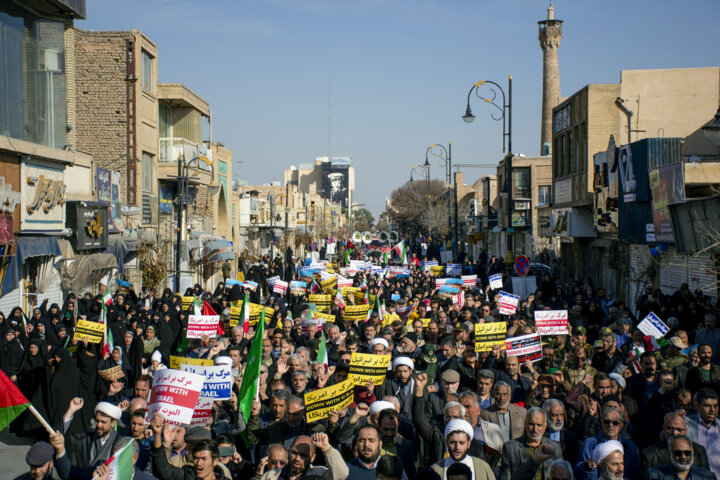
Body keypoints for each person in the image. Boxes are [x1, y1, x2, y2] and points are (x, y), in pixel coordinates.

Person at [498, 407, 562, 480]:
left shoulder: (555, 447)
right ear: (525, 424)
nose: (535, 429)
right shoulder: (510, 448)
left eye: (539, 425)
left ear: (545, 427)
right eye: (531, 424)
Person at [429, 419, 495, 480]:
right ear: (447, 443)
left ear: (468, 444)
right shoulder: (435, 470)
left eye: (462, 443)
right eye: (452, 442)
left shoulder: (483, 467)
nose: (457, 447)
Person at [647, 435, 715, 480]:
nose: (683, 457)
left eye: (687, 453)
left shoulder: (708, 477)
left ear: (692, 452)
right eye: (678, 453)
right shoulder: (654, 475)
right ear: (670, 453)